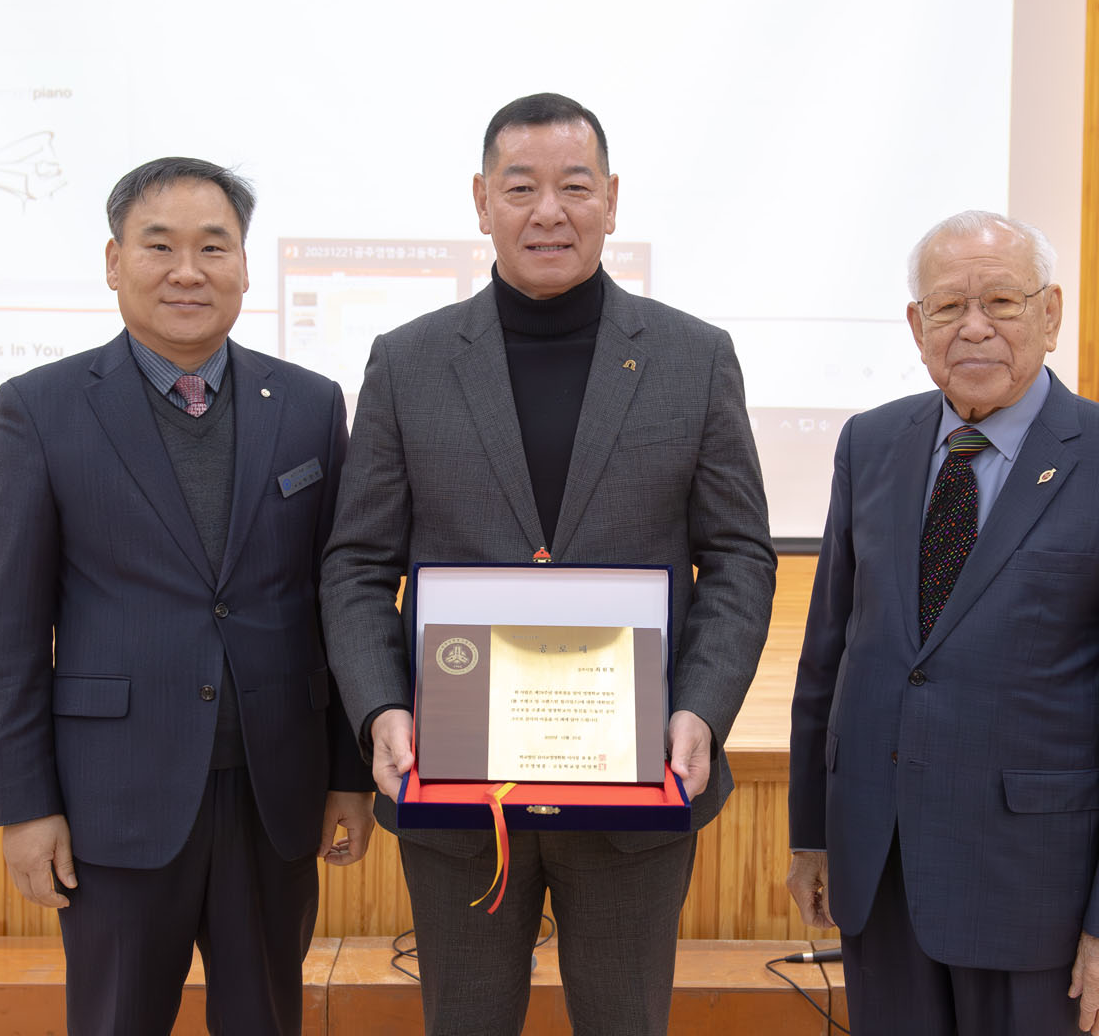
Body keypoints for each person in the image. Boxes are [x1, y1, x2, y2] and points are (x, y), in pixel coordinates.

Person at [320, 92, 776, 1034]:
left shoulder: (694, 358)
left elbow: (737, 555)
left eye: (575, 186)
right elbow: (357, 563)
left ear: (612, 198)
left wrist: (700, 708)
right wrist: (380, 707)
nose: (549, 212)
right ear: (481, 201)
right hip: (456, 786)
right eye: (521, 187)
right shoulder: (408, 362)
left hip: (636, 783)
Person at [0, 157, 375, 1035]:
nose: (187, 271)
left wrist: (348, 777)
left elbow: (338, 601)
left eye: (213, 248)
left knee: (266, 1019)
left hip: (273, 793)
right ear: (114, 261)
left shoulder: (309, 406)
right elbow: (10, 632)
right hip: (115, 799)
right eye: (159, 246)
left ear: (245, 266)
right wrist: (25, 805)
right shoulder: (42, 410)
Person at [785, 211, 1099, 1036]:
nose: (974, 327)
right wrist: (812, 834)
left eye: (1002, 301)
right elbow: (830, 655)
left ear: (1050, 313)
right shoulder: (870, 443)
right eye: (948, 307)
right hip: (880, 869)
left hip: (1032, 891)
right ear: (917, 326)